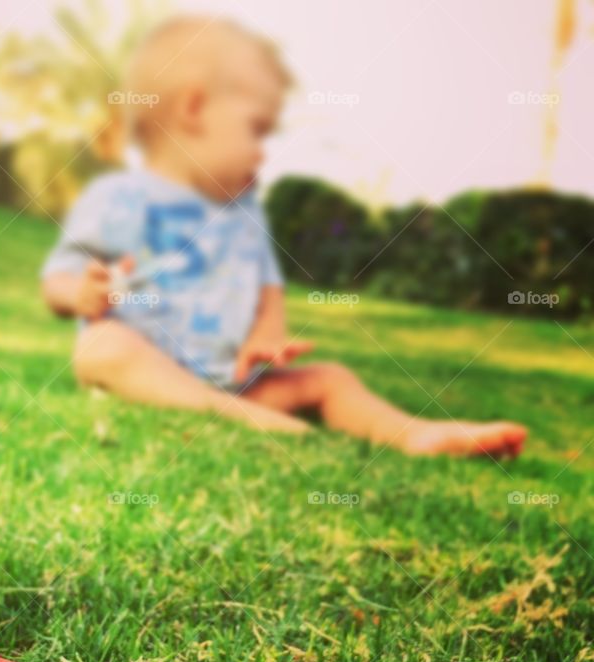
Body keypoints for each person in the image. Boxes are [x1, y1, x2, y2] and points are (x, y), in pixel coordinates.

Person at [40, 16, 527, 457]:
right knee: (102, 347)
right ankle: (234, 415)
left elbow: (268, 284)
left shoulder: (244, 210)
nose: (262, 152)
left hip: (237, 383)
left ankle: (412, 434)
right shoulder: (118, 197)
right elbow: (57, 281)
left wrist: (266, 335)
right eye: (256, 129)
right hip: (144, 375)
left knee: (331, 379)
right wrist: (79, 293)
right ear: (193, 109)